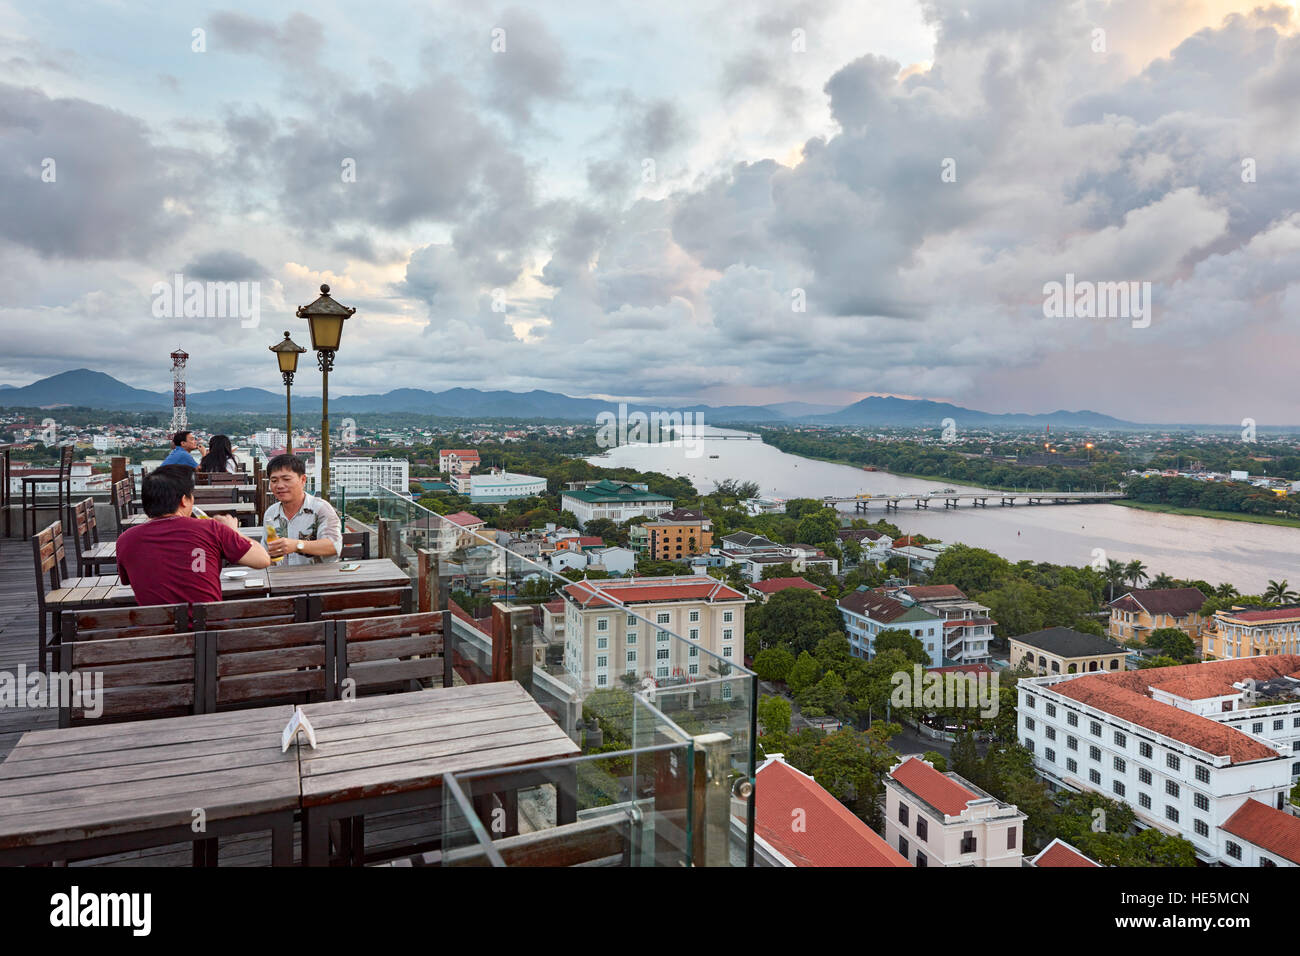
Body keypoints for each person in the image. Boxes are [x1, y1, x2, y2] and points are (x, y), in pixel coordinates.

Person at [116, 465, 270, 606]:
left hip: (155, 632)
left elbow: (128, 581)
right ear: (184, 500)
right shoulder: (211, 528)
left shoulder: (125, 540)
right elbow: (262, 560)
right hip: (209, 631)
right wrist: (233, 531)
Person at [262, 453, 342, 566]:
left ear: (303, 480)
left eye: (286, 479)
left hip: (320, 579)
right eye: (274, 481)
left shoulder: (321, 509)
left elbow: (333, 546)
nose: (279, 485)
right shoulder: (271, 513)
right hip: (281, 579)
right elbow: (266, 552)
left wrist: (296, 545)